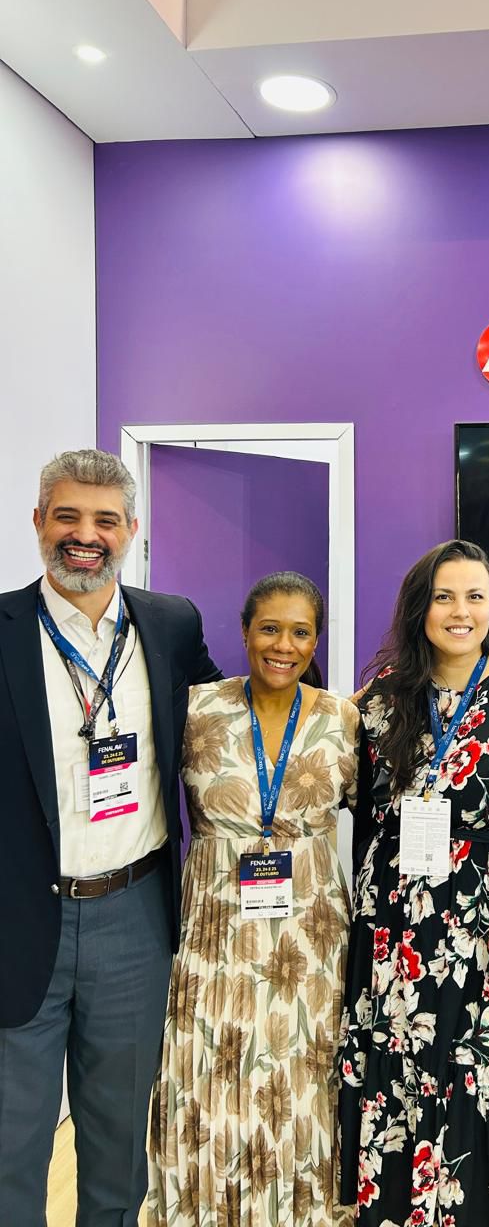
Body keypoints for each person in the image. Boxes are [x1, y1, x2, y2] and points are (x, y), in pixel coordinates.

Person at [0, 448, 221, 1227]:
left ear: (130, 528)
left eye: (104, 520)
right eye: (67, 516)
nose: (85, 535)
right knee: (11, 1148)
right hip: (20, 919)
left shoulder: (170, 623)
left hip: (134, 918)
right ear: (38, 522)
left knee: (121, 1146)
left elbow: (231, 720)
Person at [338, 539, 489, 1227]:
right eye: (444, 597)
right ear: (419, 608)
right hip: (398, 926)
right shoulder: (383, 699)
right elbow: (359, 812)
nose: (461, 612)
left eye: (475, 597)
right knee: (402, 1064)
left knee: (485, 1069)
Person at [147, 571, 358, 1227]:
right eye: (269, 629)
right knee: (207, 1073)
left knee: (298, 1074)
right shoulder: (196, 710)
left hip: (309, 933)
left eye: (300, 632)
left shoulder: (343, 719)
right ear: (244, 632)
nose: (283, 645)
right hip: (214, 925)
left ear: (316, 640)